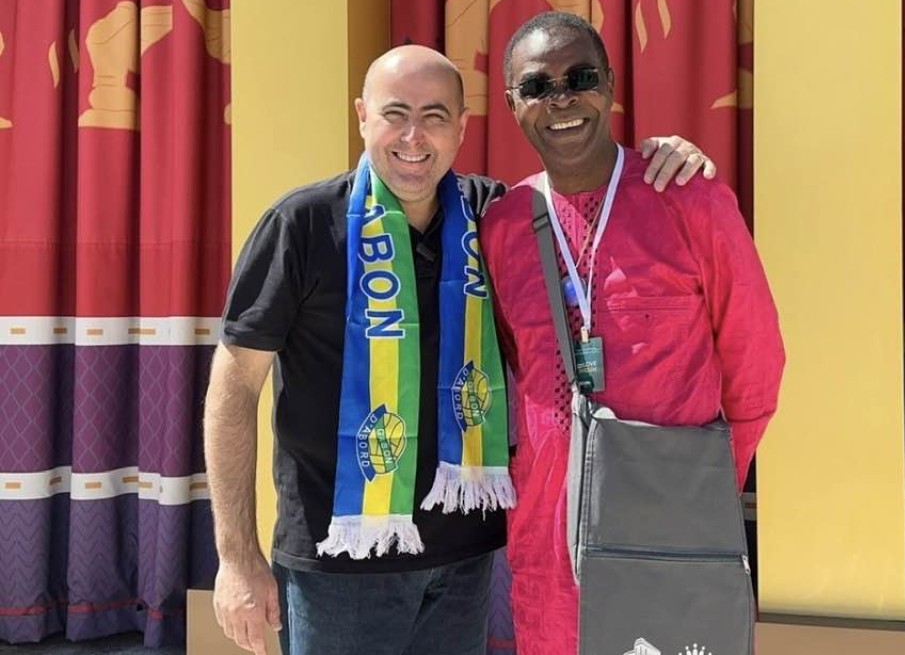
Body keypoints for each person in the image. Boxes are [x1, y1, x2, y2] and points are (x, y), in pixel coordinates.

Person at [204, 43, 714, 655]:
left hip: (464, 560)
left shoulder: (493, 215)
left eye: (435, 116)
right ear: (362, 116)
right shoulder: (303, 225)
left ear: (463, 127)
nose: (413, 137)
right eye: (395, 114)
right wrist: (236, 557)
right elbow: (234, 390)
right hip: (339, 564)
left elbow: (589, 205)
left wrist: (665, 158)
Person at [479, 12, 786, 654]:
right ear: (512, 104)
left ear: (611, 85)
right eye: (536, 86)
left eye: (580, 78)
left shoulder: (689, 198)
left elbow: (755, 362)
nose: (561, 99)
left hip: (667, 537)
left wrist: (695, 484)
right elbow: (513, 362)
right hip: (549, 553)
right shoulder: (504, 225)